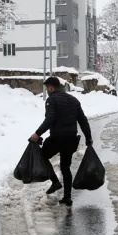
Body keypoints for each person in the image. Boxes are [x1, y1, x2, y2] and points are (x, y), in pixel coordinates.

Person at [30, 77, 93, 206]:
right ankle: (67, 197)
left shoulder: (52, 99)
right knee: (65, 167)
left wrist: (37, 133)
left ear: (51, 87)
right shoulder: (74, 100)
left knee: (42, 157)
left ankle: (55, 182)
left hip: (57, 137)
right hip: (71, 138)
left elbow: (50, 119)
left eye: (47, 88)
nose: (47, 91)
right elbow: (83, 120)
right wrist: (88, 137)